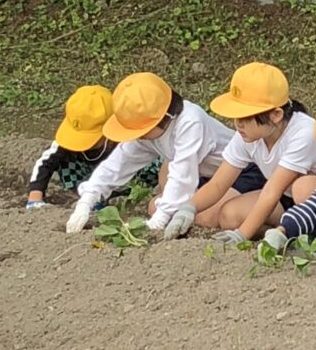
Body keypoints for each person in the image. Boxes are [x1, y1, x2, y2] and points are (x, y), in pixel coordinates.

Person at [65, 72, 263, 238]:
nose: (137, 137)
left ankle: (260, 220)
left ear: (160, 119)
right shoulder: (147, 135)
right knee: (156, 207)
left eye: (139, 130)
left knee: (204, 217)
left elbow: (182, 174)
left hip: (243, 172)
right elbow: (118, 164)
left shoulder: (190, 122)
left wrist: (159, 221)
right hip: (205, 176)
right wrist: (87, 200)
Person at [186, 62, 316, 244]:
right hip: (288, 200)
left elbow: (272, 191)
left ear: (276, 115)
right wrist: (187, 209)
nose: (237, 124)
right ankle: (296, 236)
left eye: (245, 117)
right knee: (230, 215)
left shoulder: (304, 132)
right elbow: (218, 184)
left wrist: (242, 234)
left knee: (302, 188)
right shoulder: (248, 135)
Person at [25, 85, 159, 210]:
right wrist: (35, 198)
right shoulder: (66, 144)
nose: (80, 143)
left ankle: (129, 199)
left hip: (132, 182)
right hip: (85, 179)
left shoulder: (130, 138)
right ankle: (92, 199)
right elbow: (45, 163)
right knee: (62, 158)